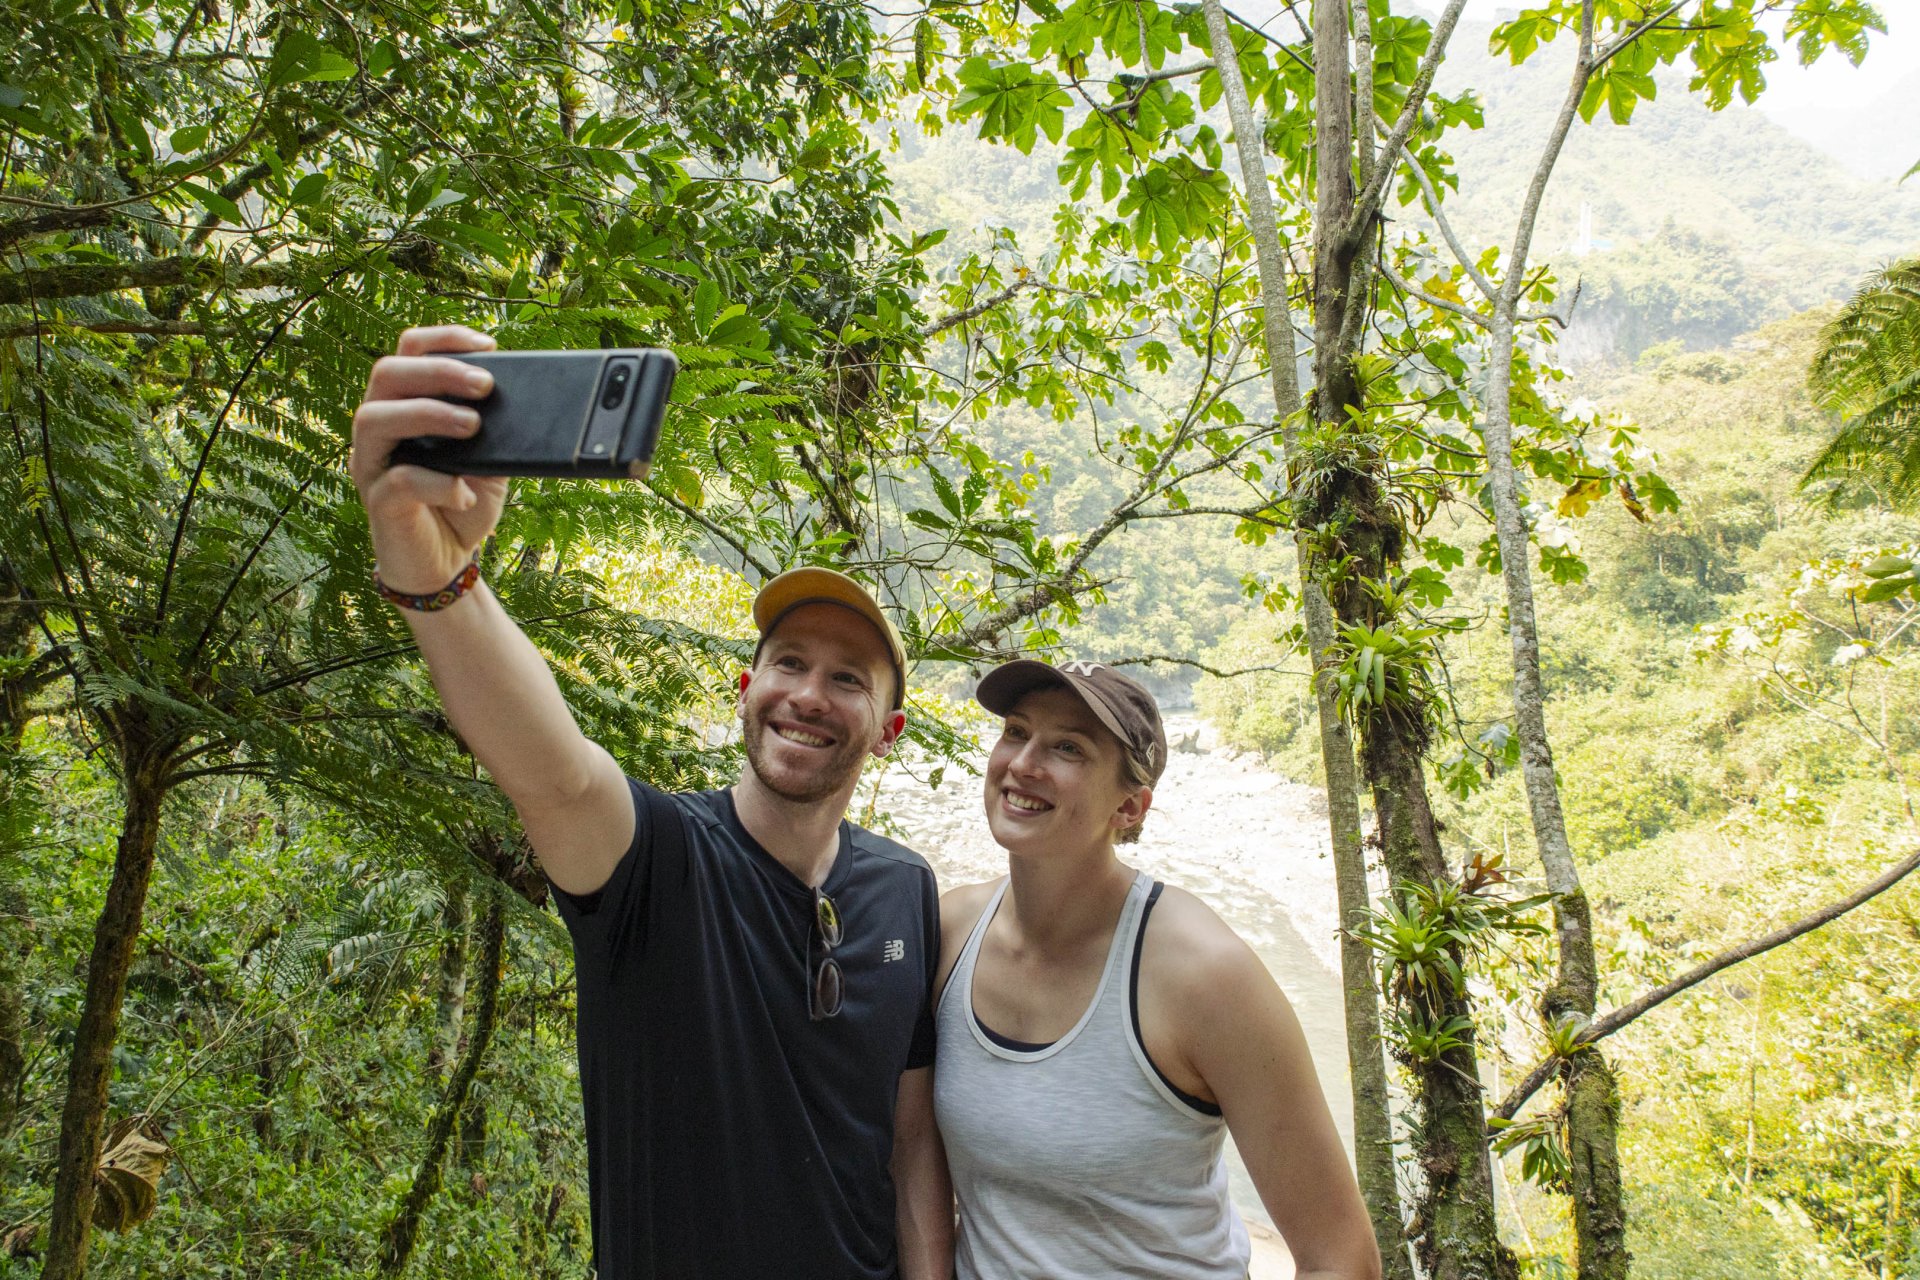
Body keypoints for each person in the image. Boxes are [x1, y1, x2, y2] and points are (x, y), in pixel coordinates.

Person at [351, 325, 952, 1280]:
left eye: (848, 679)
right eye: (787, 663)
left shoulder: (905, 889)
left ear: (888, 729)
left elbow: (911, 1137)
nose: (807, 693)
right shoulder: (657, 861)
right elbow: (551, 770)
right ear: (744, 692)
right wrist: (440, 578)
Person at [934, 658, 1382, 1280]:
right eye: (1016, 730)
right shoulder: (951, 933)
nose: (1023, 763)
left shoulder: (1204, 975)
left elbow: (1341, 1255)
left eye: (1068, 747)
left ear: (1130, 808)